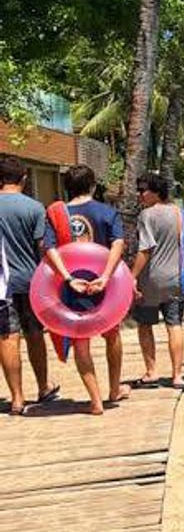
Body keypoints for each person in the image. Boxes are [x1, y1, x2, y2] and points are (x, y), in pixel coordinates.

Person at [43, 165, 129, 414]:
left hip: (73, 288)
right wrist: (104, 276)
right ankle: (114, 389)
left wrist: (68, 278)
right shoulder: (106, 212)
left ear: (66, 187)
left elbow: (49, 250)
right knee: (112, 335)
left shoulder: (56, 214)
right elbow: (118, 244)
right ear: (93, 185)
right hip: (106, 287)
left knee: (81, 343)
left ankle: (95, 401)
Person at [0, 156, 59, 414]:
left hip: (1, 284)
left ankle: (16, 398)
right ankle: (43, 386)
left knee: (7, 337)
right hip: (30, 281)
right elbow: (43, 246)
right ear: (24, 178)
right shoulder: (35, 208)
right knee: (34, 333)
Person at [130, 172, 184, 389]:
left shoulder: (146, 216)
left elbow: (145, 249)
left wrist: (131, 277)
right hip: (177, 279)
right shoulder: (181, 213)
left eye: (143, 190)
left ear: (156, 191)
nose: (139, 194)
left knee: (145, 325)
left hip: (149, 281)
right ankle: (177, 376)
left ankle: (151, 373)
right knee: (175, 325)